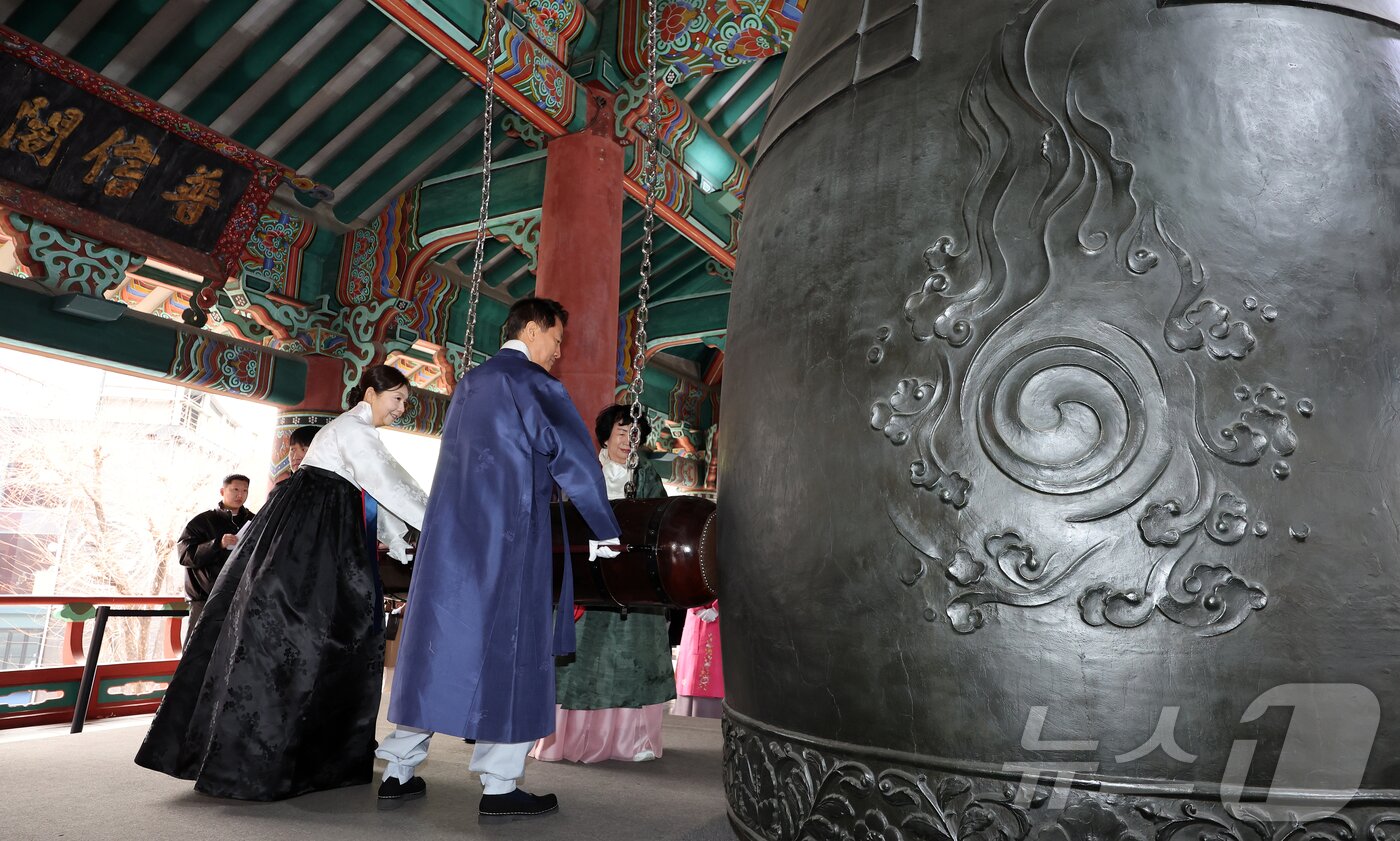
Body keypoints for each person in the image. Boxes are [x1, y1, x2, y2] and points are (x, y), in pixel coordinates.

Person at [378, 297, 621, 822]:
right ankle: (500, 784)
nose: (558, 352)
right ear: (533, 330)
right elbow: (573, 454)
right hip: (508, 536)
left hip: (450, 536)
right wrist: (603, 525)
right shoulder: (532, 382)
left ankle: (398, 772)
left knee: (437, 646)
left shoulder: (470, 383)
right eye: (557, 339)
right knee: (514, 652)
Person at [135, 365, 427, 801]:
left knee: (302, 641)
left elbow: (376, 497)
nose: (401, 409)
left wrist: (403, 542)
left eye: (405, 402)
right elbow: (392, 485)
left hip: (309, 534)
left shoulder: (351, 432)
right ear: (370, 393)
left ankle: (282, 758)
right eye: (397, 399)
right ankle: (269, 761)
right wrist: (439, 524)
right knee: (310, 640)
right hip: (314, 541)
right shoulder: (355, 430)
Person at [532, 404, 674, 764]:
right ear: (607, 434)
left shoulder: (647, 475)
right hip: (583, 577)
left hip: (632, 581)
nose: (629, 441)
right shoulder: (581, 468)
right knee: (581, 657)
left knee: (632, 654)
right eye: (623, 432)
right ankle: (569, 739)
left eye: (636, 434)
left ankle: (631, 740)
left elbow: (659, 521)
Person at [176, 474, 254, 630]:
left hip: (241, 598)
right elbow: (185, 556)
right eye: (235, 489)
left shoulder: (254, 521)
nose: (240, 495)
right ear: (222, 491)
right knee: (199, 650)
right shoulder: (202, 522)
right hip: (205, 599)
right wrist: (217, 544)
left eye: (245, 491)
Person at [673, 601, 723, 718]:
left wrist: (717, 608)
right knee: (691, 667)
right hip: (695, 613)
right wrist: (696, 608)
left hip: (723, 615)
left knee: (714, 663)